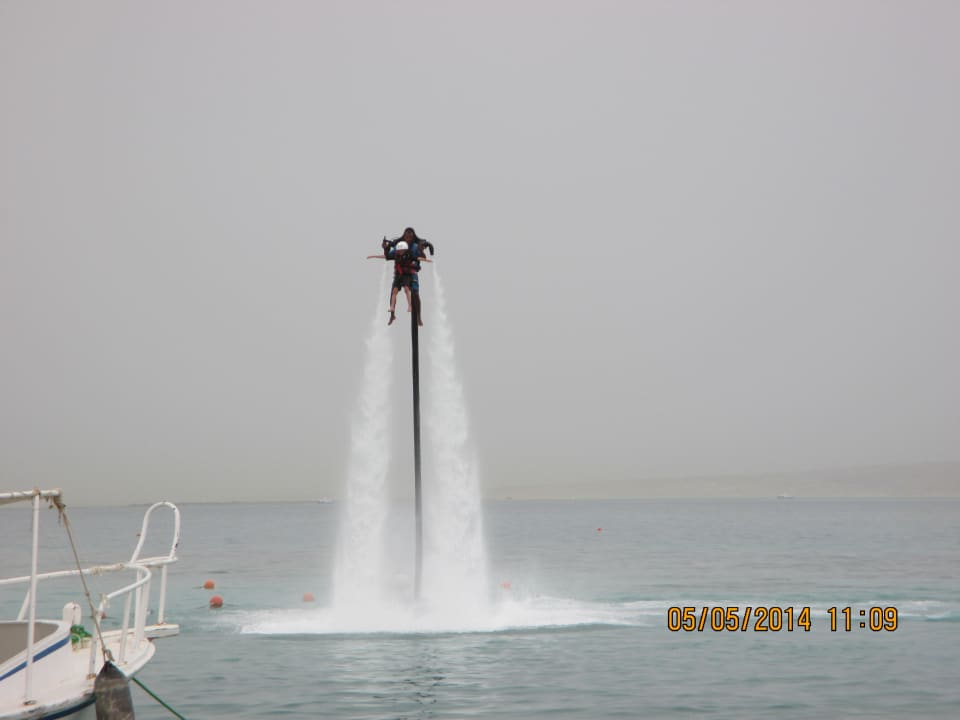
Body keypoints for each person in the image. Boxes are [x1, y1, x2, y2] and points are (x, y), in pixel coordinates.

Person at [366, 240, 432, 325]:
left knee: (407, 289)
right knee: (394, 291)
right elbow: (386, 256)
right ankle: (392, 309)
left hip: (407, 274)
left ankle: (410, 307)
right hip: (399, 275)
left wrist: (425, 260)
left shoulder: (410, 254)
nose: (400, 252)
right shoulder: (396, 254)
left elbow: (417, 258)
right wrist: (374, 256)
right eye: (399, 250)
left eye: (402, 250)